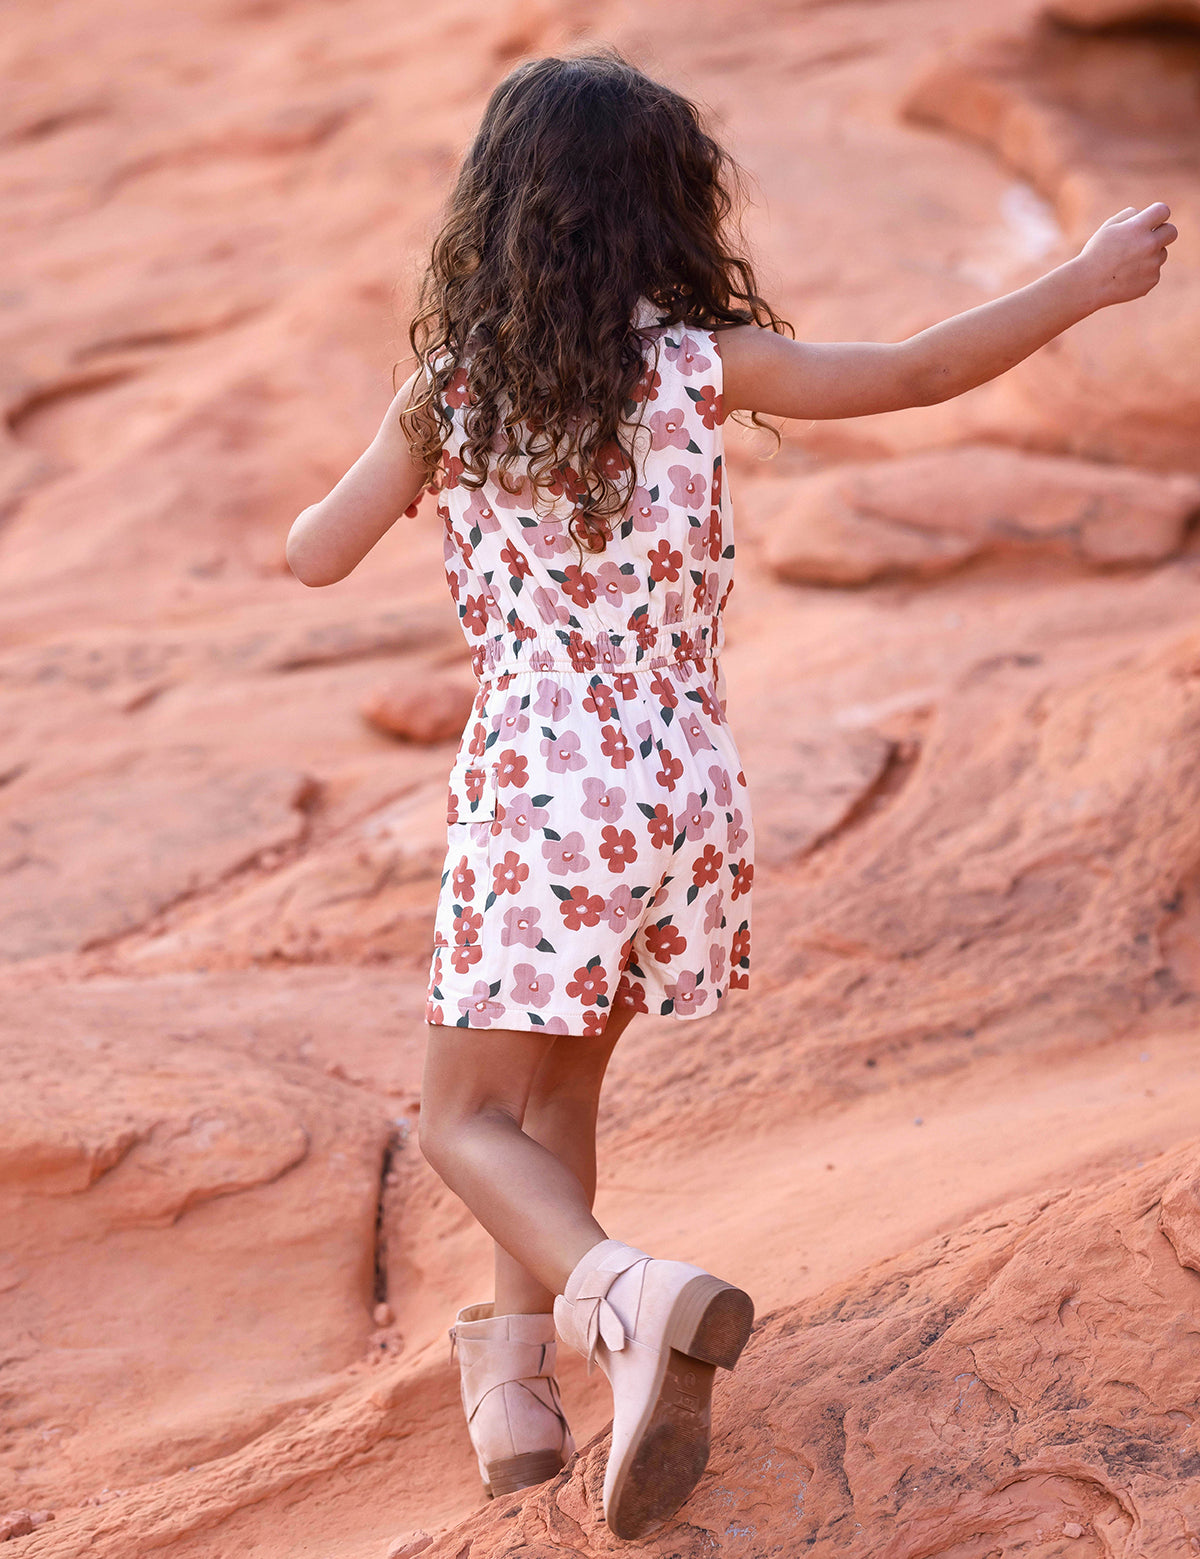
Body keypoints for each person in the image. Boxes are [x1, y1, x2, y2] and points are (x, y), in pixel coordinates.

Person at [286, 47, 1175, 1541]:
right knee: (557, 1087)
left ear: (497, 215)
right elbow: (909, 373)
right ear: (665, 215)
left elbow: (317, 552)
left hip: (537, 788)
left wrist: (396, 445)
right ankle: (519, 1389)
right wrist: (1082, 281)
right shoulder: (700, 366)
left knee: (458, 1122)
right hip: (678, 784)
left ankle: (624, 1298)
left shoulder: (451, 396)